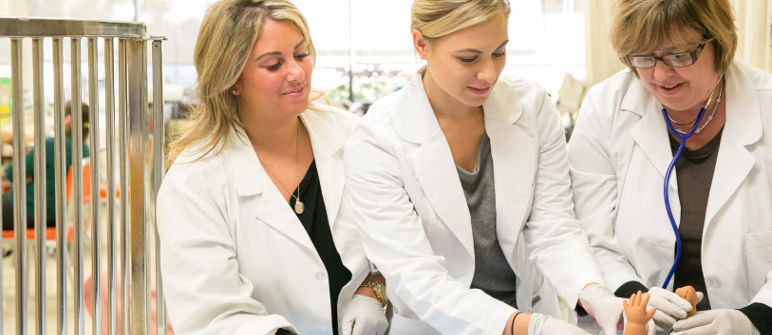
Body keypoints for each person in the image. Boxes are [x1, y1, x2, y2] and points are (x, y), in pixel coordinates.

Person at [341, 1, 627, 334]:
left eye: (499, 52)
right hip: (437, 325)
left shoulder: (532, 108)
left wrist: (594, 294)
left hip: (532, 309)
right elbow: (415, 277)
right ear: (421, 44)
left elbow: (553, 226)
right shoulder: (376, 140)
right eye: (468, 58)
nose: (489, 73)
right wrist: (528, 328)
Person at [567, 0, 772, 334]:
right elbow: (589, 235)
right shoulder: (605, 110)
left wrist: (753, 320)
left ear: (718, 42)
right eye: (644, 57)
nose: (661, 74)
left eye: (679, 55)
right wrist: (634, 300)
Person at [156, 1, 387, 334]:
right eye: (273, 64)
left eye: (301, 54)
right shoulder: (193, 182)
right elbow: (212, 317)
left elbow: (403, 246)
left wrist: (374, 291)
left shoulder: (353, 137)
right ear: (232, 77)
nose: (296, 72)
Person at [2, 101, 89, 230]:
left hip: (29, 211)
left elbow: (12, 172)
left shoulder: (51, 145)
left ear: (68, 119)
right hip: (58, 215)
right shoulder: (85, 149)